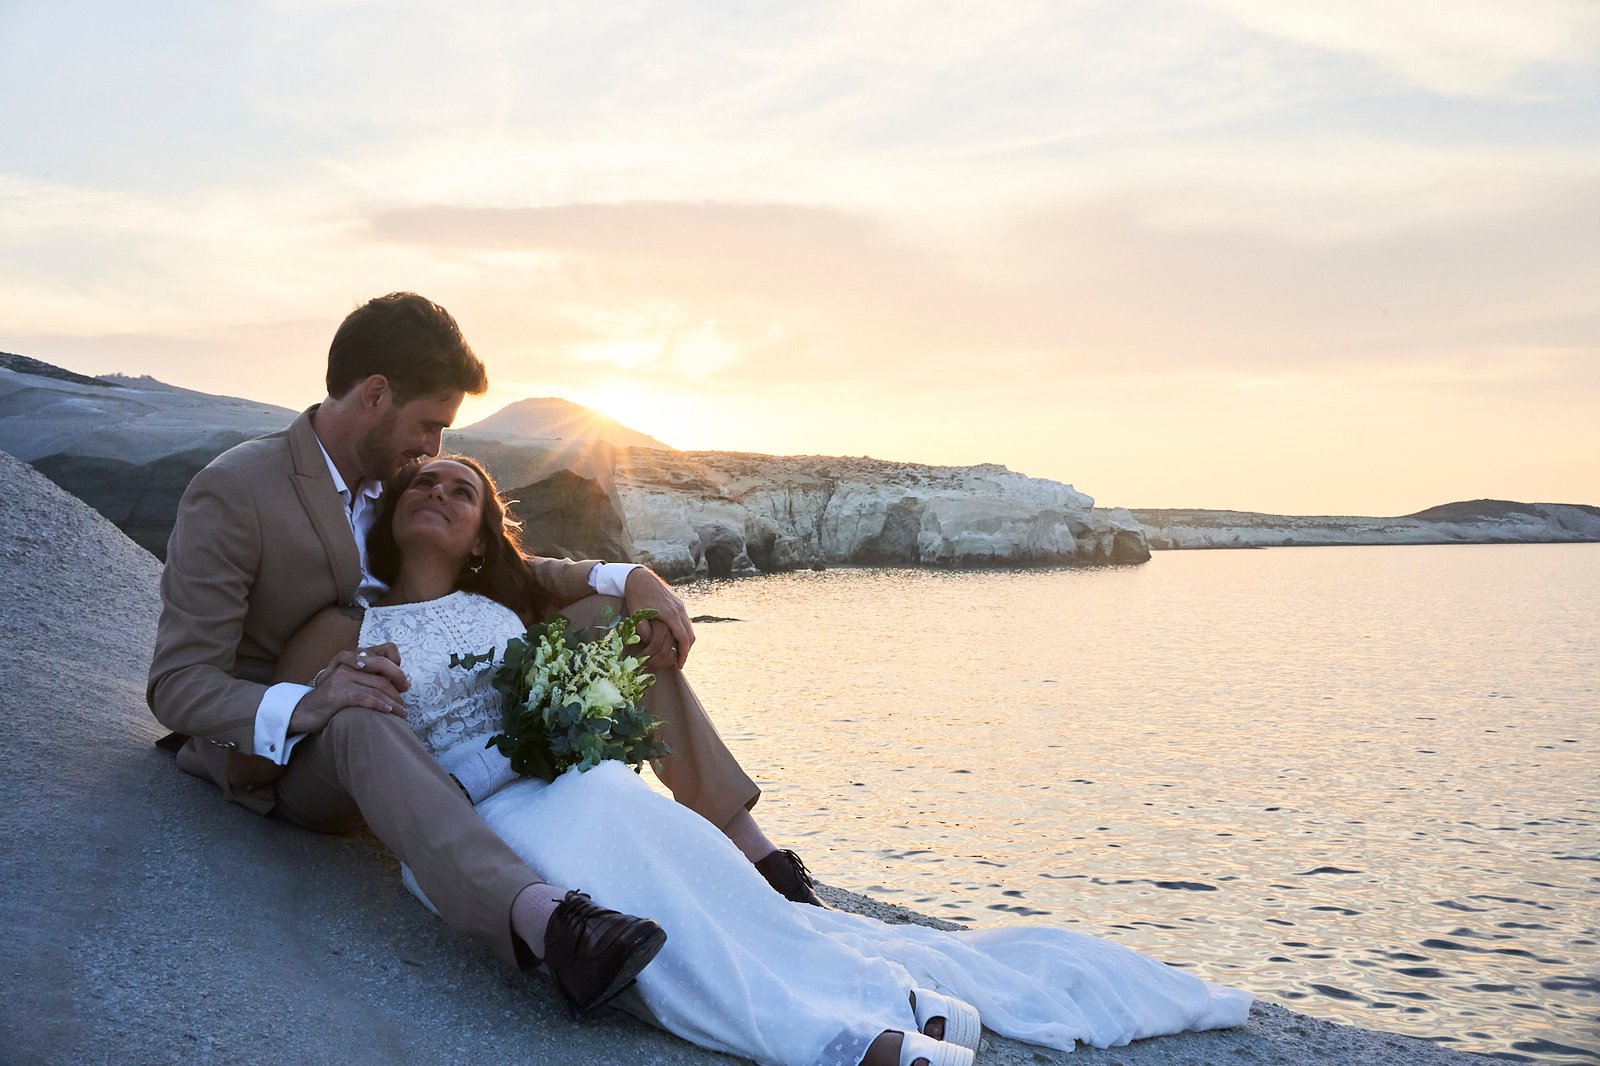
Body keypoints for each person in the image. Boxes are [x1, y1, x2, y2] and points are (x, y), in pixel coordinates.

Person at [275, 455, 1253, 1066]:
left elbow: (594, 586)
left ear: (486, 526)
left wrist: (638, 601)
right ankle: (824, 1037)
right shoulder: (344, 621)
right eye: (425, 483)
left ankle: (834, 948)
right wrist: (328, 695)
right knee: (643, 898)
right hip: (482, 823)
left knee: (677, 859)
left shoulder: (512, 598)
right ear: (390, 510)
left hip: (573, 780)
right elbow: (292, 740)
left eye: (464, 489)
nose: (443, 491)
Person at [146, 292, 818, 1016]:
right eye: (430, 424)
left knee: (609, 621)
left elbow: (492, 562)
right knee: (365, 711)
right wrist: (308, 701)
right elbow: (178, 682)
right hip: (291, 751)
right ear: (375, 395)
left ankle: (748, 847)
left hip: (403, 707)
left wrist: (630, 579)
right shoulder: (237, 489)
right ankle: (549, 924)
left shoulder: (392, 482)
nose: (433, 449)